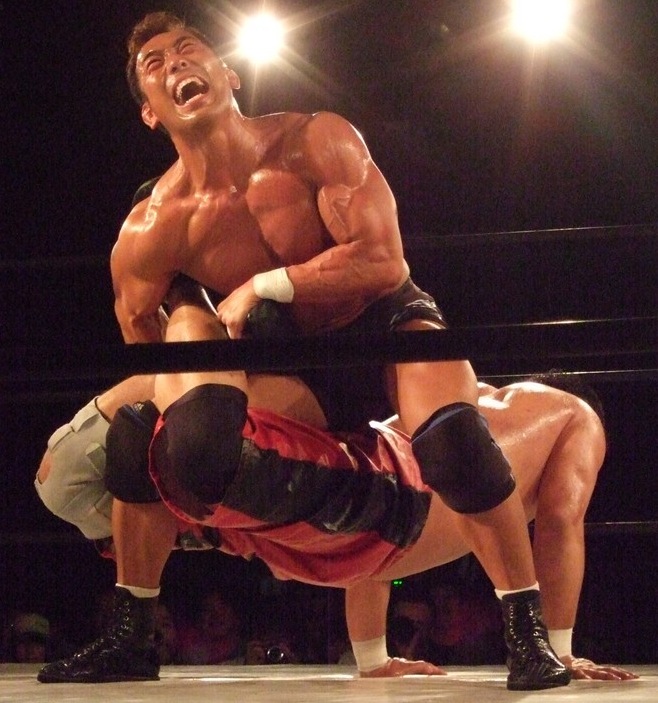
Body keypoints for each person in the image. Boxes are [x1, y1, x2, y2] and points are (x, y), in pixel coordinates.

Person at [109, 10, 567, 688]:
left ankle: (529, 636)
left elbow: (383, 260)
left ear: (228, 73)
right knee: (146, 433)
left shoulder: (313, 140)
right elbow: (143, 342)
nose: (175, 63)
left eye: (187, 49)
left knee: (454, 443)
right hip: (296, 365)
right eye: (155, 64)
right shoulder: (151, 228)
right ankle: (129, 636)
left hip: (384, 325)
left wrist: (264, 285)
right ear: (150, 111)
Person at [36, 283, 637, 685]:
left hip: (342, 521)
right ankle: (171, 342)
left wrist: (373, 658)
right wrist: (559, 648)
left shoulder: (458, 404)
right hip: (347, 530)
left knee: (150, 441)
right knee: (167, 441)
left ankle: (132, 610)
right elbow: (560, 521)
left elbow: (375, 546)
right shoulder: (573, 414)